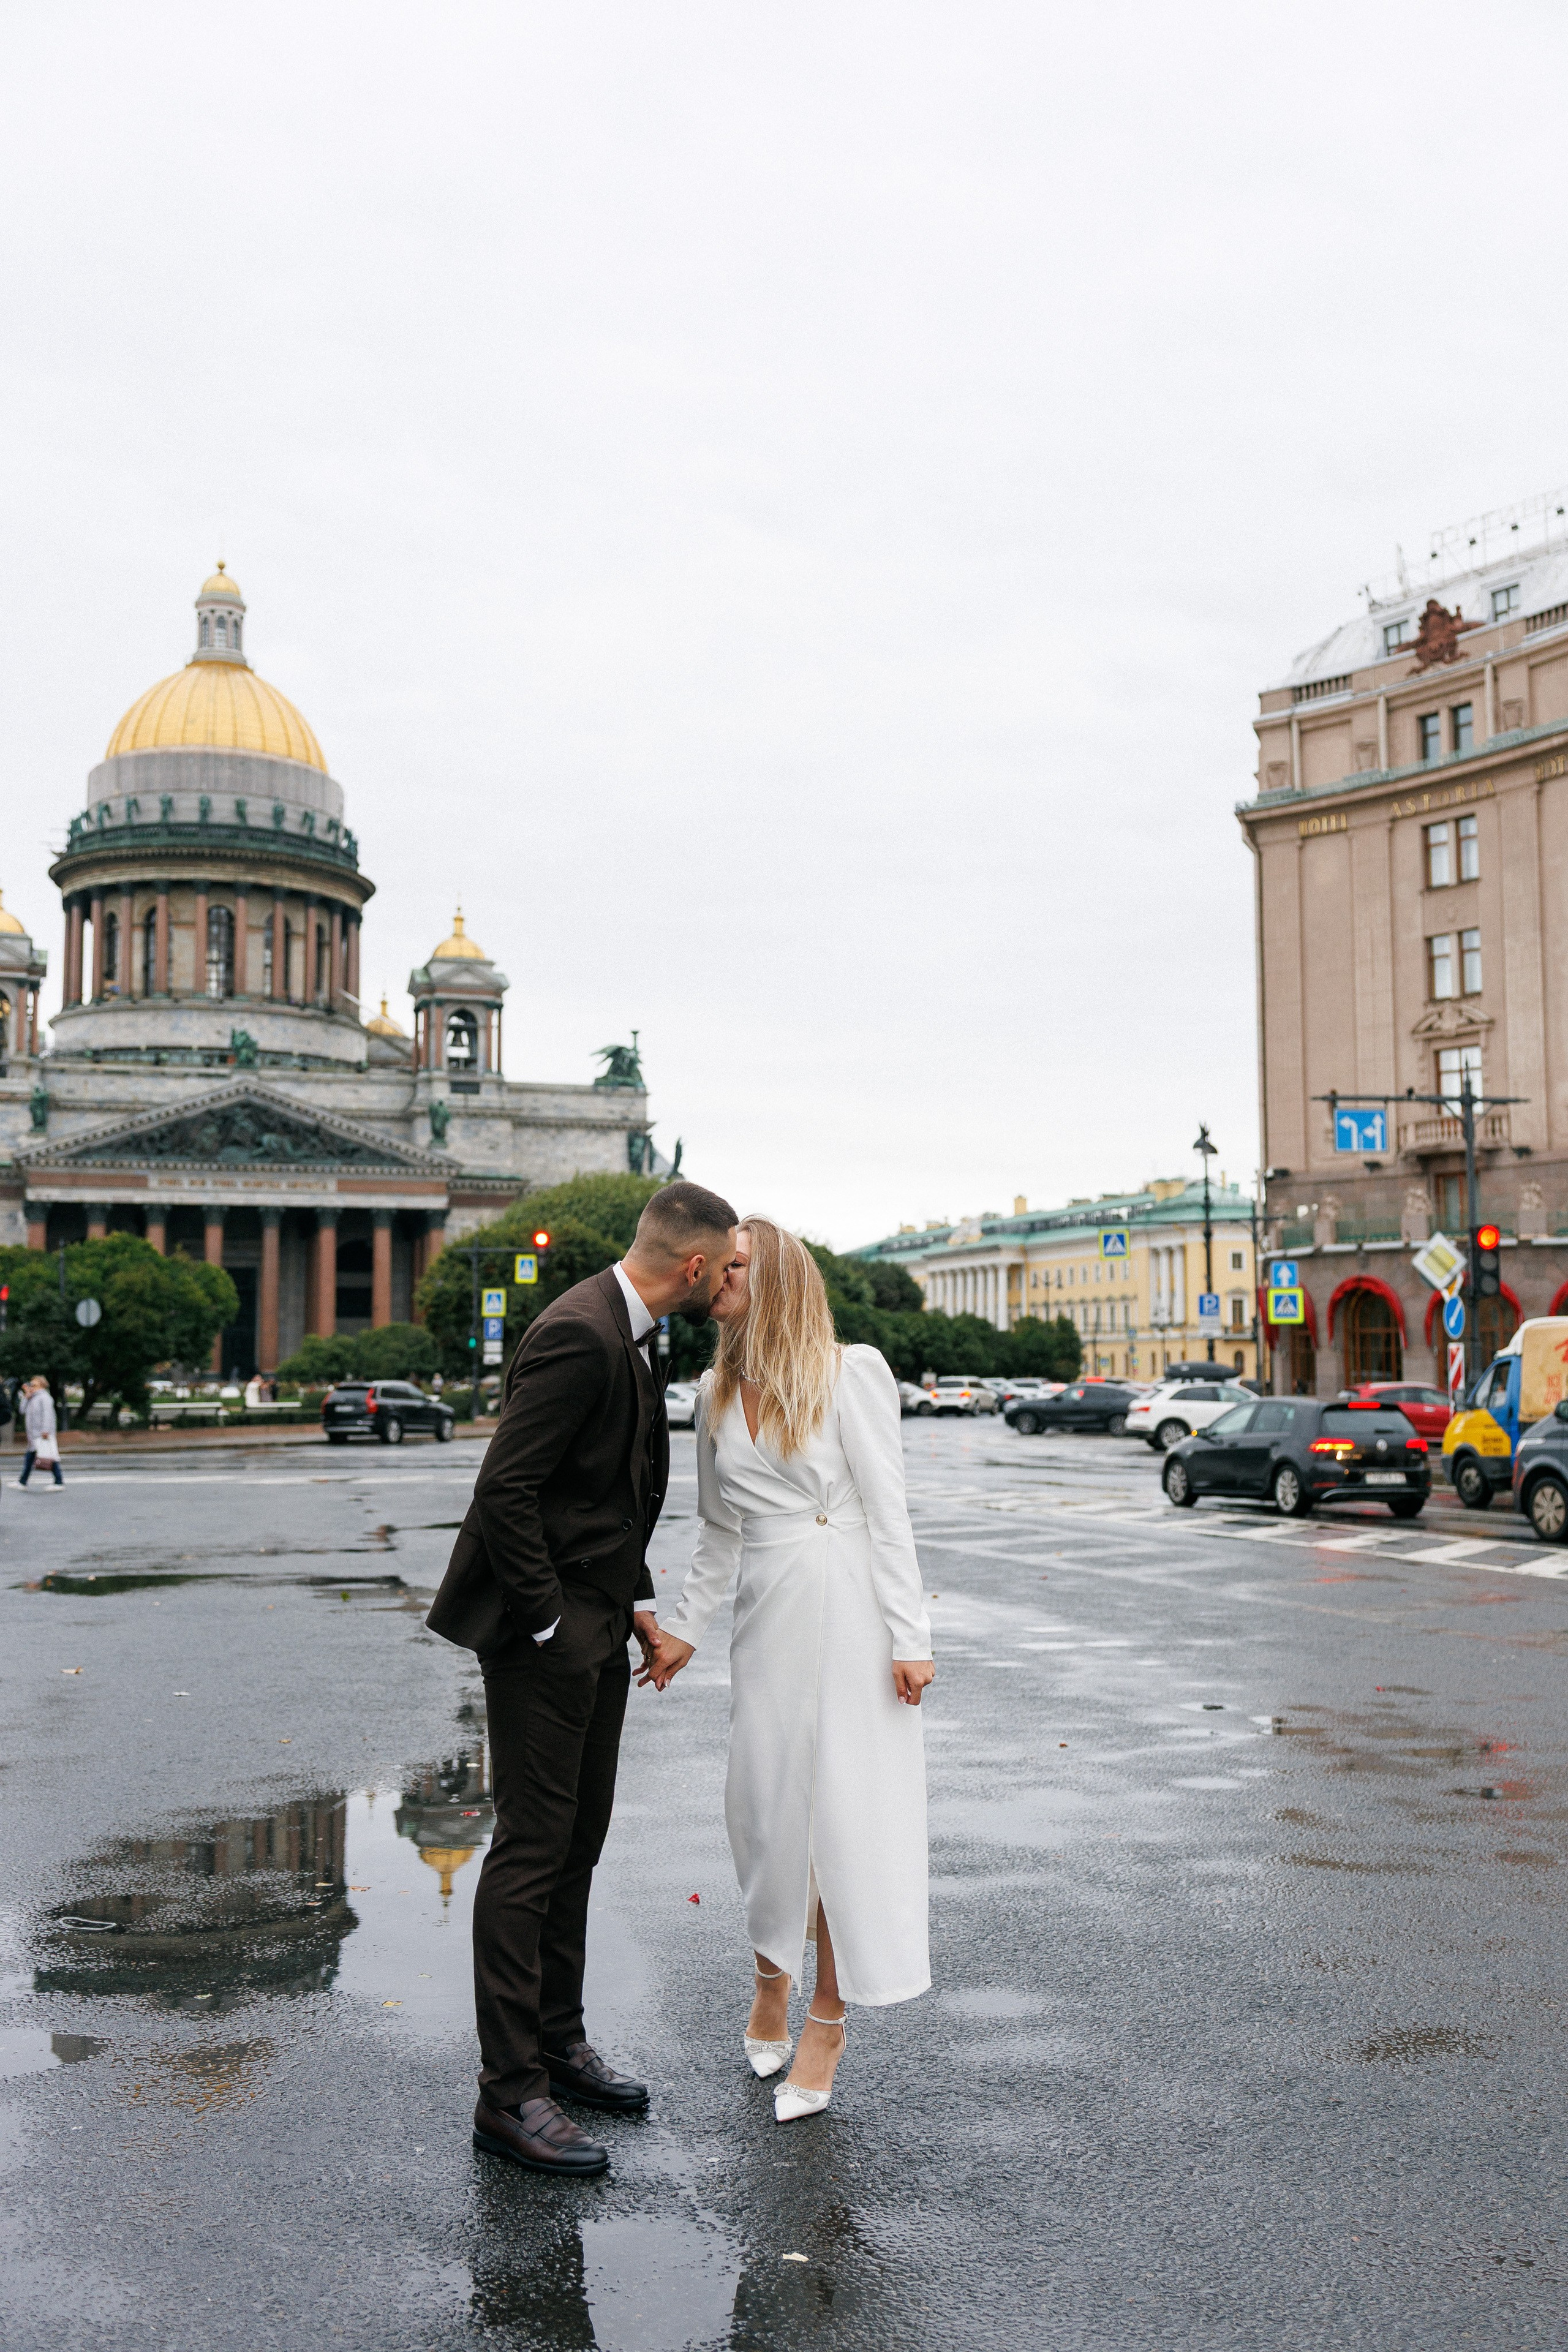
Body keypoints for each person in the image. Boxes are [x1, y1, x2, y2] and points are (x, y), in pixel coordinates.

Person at [426, 1179, 739, 2178]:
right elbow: (506, 1487)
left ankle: (557, 2044)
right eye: (728, 1265)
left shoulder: (629, 1329)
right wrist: (553, 1622)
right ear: (692, 1266)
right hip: (547, 1636)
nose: (733, 1278)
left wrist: (637, 1607)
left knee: (577, 1841)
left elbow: (599, 1498)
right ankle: (508, 2094)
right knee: (530, 1852)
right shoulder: (583, 1333)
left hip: (600, 1622)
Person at [647, 1218, 933, 2124]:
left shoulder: (854, 1371)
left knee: (847, 1820)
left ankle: (827, 2017)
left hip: (852, 1607)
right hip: (768, 1615)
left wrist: (909, 1634)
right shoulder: (713, 1392)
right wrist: (686, 1627)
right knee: (766, 1812)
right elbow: (717, 1531)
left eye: (735, 1267)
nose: (716, 1279)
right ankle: (771, 1972)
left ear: (772, 1280)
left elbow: (889, 1512)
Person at [18, 1378, 64, 1488]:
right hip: (33, 1435)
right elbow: (22, 1410)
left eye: (34, 1385)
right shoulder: (32, 1398)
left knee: (48, 1457)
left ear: (42, 1386)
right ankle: (23, 1481)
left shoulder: (45, 1398)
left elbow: (48, 1415)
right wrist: (26, 1396)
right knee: (36, 1456)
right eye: (31, 1385)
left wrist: (46, 1430)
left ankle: (58, 1482)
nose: (31, 1387)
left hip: (41, 1434)